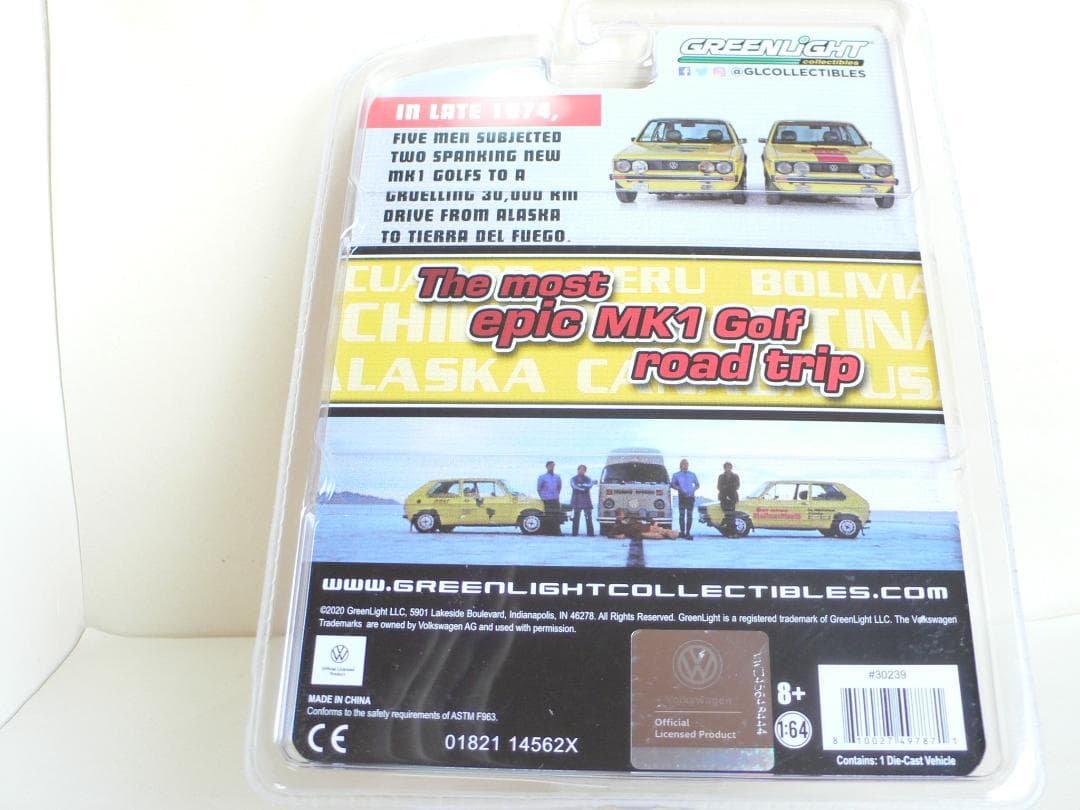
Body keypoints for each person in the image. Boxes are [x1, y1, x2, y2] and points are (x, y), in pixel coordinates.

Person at [669, 458, 700, 540]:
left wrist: (693, 489)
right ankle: (682, 532)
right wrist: (679, 488)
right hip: (682, 496)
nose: (685, 466)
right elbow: (672, 484)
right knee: (682, 515)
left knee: (689, 515)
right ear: (680, 465)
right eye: (684, 464)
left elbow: (697, 485)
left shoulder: (692, 474)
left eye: (686, 464)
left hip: (690, 497)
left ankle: (688, 532)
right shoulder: (676, 475)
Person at [609, 509, 679, 541]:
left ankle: (674, 534)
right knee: (658, 536)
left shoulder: (630, 517)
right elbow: (610, 534)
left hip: (647, 527)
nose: (621, 515)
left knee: (663, 531)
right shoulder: (618, 525)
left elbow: (644, 517)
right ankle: (668, 535)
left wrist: (654, 522)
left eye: (622, 514)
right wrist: (617, 536)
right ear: (617, 516)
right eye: (619, 514)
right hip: (641, 533)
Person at [536, 460, 562, 535]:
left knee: (556, 515)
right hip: (546, 499)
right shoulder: (542, 477)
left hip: (555, 498)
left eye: (553, 466)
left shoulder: (557, 477)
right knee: (548, 515)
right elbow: (539, 488)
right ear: (547, 467)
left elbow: (559, 487)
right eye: (550, 466)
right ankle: (547, 531)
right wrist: (542, 497)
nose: (552, 467)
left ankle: (557, 532)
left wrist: (556, 495)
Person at [569, 464, 595, 537]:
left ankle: (590, 533)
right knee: (576, 517)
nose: (581, 471)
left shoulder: (588, 479)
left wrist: (581, 486)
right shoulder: (573, 478)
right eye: (580, 469)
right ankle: (574, 533)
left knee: (588, 517)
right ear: (578, 470)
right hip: (577, 500)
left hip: (586, 501)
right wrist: (583, 487)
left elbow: (590, 485)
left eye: (583, 470)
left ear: (585, 471)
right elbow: (574, 486)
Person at [717, 462, 741, 534]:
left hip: (733, 498)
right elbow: (719, 487)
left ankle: (733, 532)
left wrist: (726, 486)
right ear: (724, 468)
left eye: (729, 467)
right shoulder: (721, 476)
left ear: (731, 468)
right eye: (726, 467)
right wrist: (729, 487)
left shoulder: (735, 476)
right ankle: (729, 532)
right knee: (727, 515)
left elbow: (737, 486)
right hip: (723, 498)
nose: (728, 469)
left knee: (732, 515)